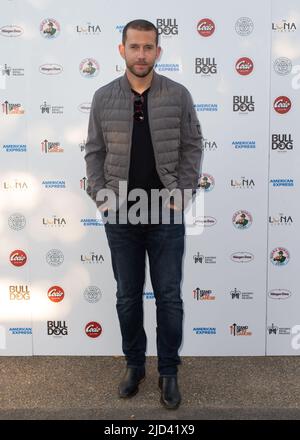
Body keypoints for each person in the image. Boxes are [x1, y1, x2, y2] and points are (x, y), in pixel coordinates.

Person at [84, 19, 203, 410]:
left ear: (157, 51)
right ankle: (135, 365)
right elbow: (94, 152)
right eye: (134, 47)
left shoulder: (178, 94)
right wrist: (101, 197)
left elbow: (192, 146)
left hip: (165, 213)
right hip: (120, 213)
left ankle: (168, 371)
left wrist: (181, 195)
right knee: (126, 296)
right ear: (122, 50)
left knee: (169, 296)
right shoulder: (103, 97)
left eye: (148, 47)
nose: (141, 54)